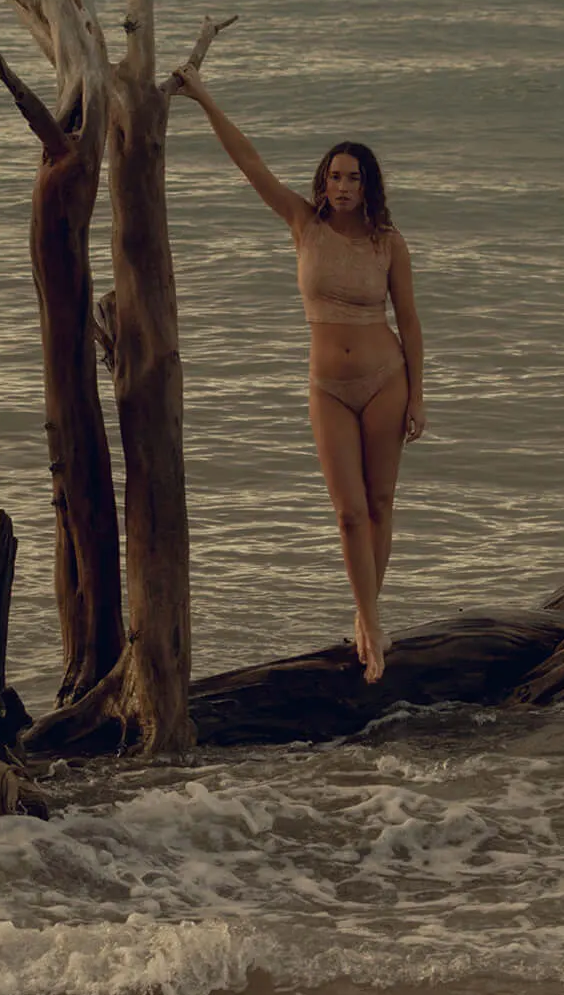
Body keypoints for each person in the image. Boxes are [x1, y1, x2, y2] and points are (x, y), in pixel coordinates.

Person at [174, 74, 424, 684]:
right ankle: (369, 623)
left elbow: (411, 323)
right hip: (328, 388)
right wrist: (204, 96)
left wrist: (420, 395)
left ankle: (369, 622)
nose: (342, 186)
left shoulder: (389, 244)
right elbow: (248, 161)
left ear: (369, 186)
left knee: (381, 505)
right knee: (347, 513)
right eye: (335, 176)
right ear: (323, 181)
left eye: (353, 177)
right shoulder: (300, 223)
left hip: (387, 379)